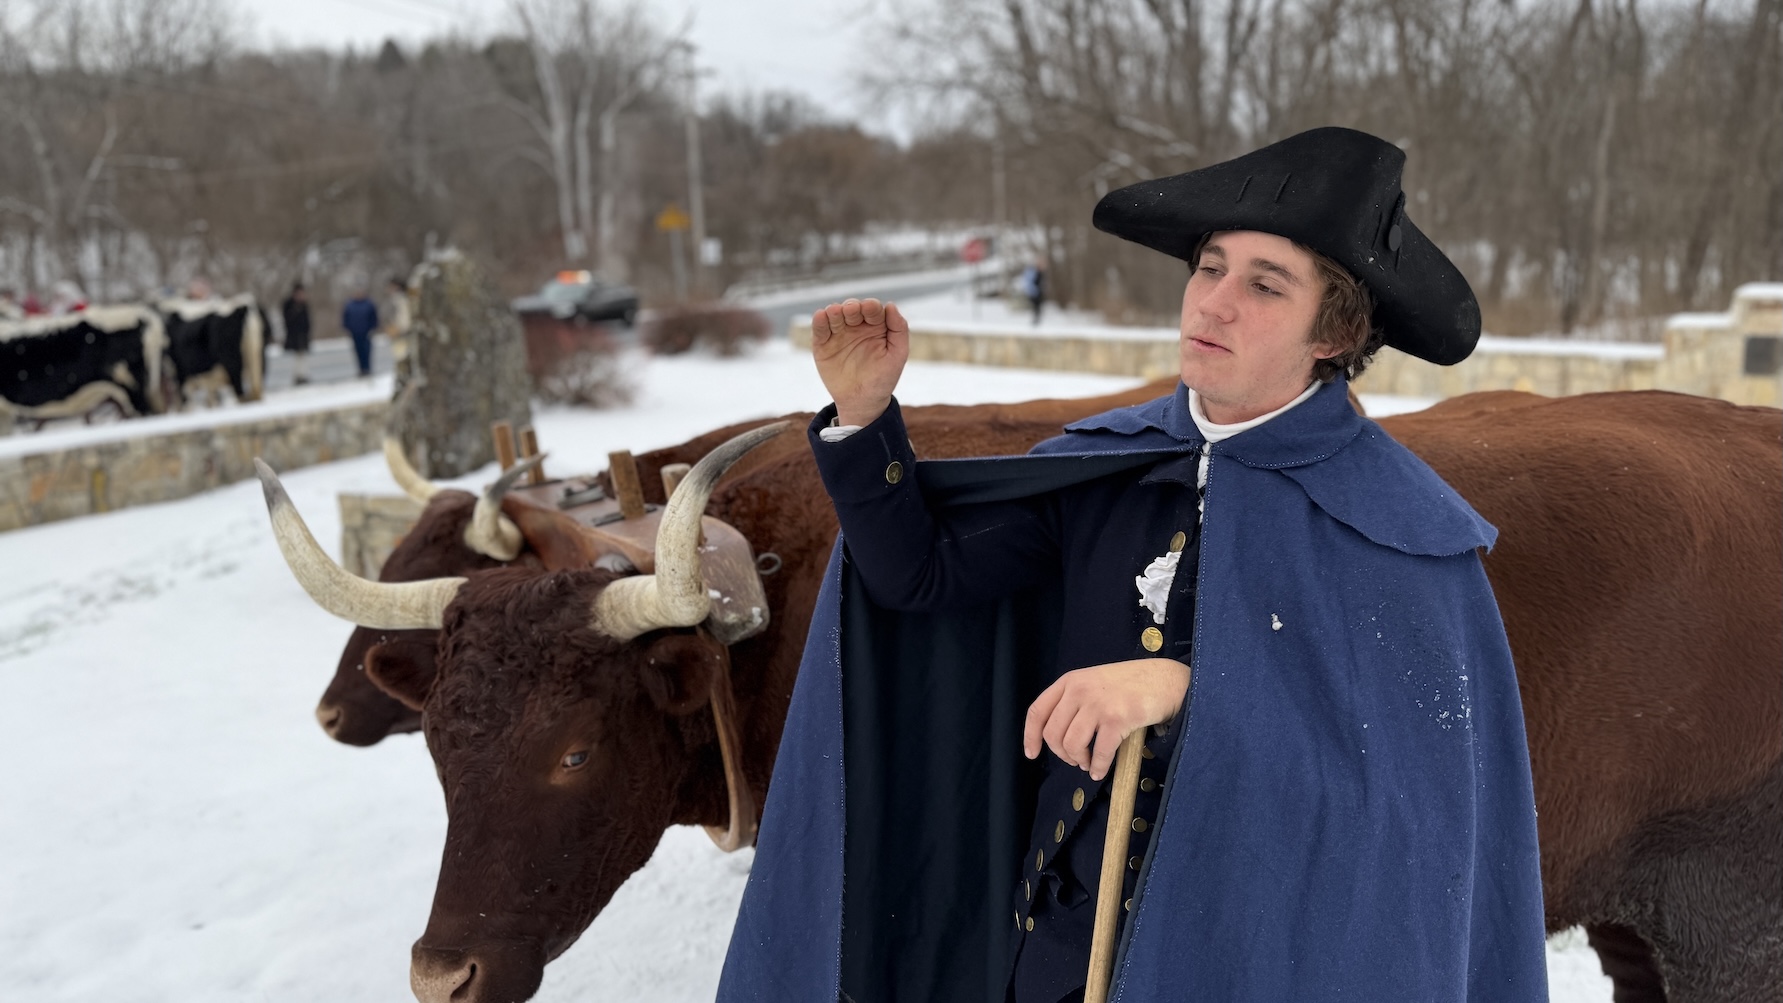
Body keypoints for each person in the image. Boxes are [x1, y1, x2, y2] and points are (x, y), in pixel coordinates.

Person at [719, 128, 1546, 1002]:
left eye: (1264, 285)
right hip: (1062, 952)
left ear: (1334, 332)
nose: (1213, 304)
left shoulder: (1398, 531)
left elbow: (1391, 806)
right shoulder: (1108, 464)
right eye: (1209, 268)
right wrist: (864, 414)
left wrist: (1185, 690)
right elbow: (919, 578)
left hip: (1249, 962)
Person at [341, 286, 379, 378]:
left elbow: (374, 317)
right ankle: (361, 368)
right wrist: (347, 328)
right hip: (355, 332)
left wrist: (373, 328)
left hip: (366, 332)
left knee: (367, 351)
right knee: (358, 351)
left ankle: (367, 368)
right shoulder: (350, 305)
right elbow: (345, 317)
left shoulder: (368, 304)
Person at [281, 283, 313, 385]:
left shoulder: (304, 304)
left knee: (303, 356)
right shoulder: (289, 304)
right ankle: (297, 376)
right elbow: (287, 320)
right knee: (296, 357)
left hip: (303, 335)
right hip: (293, 335)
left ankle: (303, 375)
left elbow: (307, 321)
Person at [1019, 259, 1047, 325]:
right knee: (1036, 306)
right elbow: (1034, 283)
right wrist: (1036, 290)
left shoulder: (1036, 272)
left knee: (1036, 306)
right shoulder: (1035, 273)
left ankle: (1036, 319)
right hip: (1035, 292)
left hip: (1035, 292)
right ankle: (1036, 320)